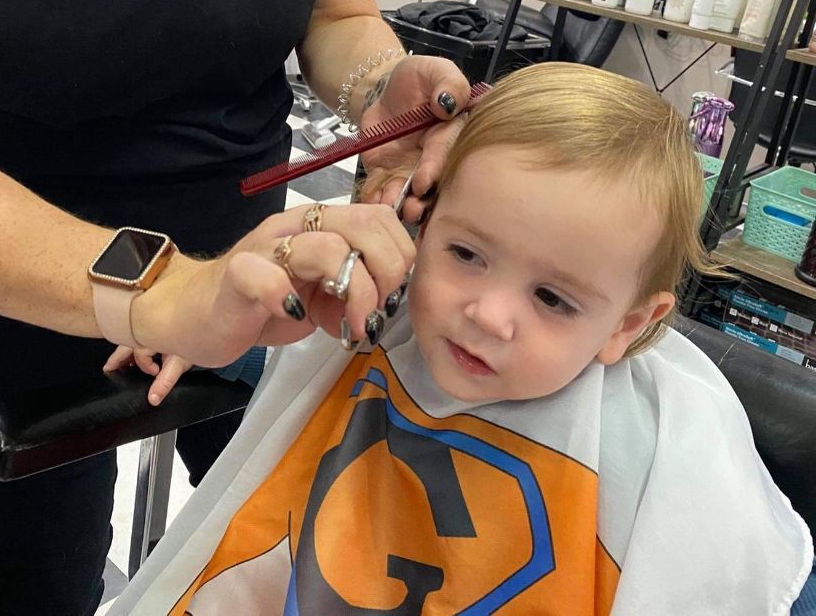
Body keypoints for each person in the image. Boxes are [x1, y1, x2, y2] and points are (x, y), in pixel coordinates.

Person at [0, 0, 468, 612]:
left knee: (296, 555)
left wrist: (380, 91)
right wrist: (164, 292)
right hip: (14, 250)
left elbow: (338, 13)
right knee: (43, 579)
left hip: (256, 252)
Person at [110, 63, 812, 615]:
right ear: (425, 221)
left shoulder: (666, 449)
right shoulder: (380, 322)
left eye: (552, 298)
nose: (488, 314)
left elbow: (760, 581)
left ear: (628, 324)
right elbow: (270, 339)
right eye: (466, 254)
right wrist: (202, 331)